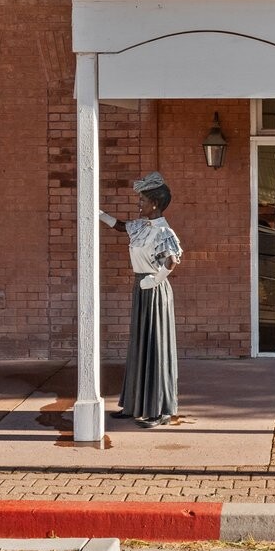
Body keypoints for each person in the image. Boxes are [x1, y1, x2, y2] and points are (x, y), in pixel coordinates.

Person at [100, 172, 183, 426]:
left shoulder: (163, 231)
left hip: (154, 291)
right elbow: (119, 226)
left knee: (155, 346)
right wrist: (97, 212)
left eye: (143, 201)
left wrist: (154, 280)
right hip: (141, 287)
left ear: (155, 204)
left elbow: (172, 261)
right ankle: (135, 404)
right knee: (139, 344)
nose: (139, 204)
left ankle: (159, 410)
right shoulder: (139, 226)